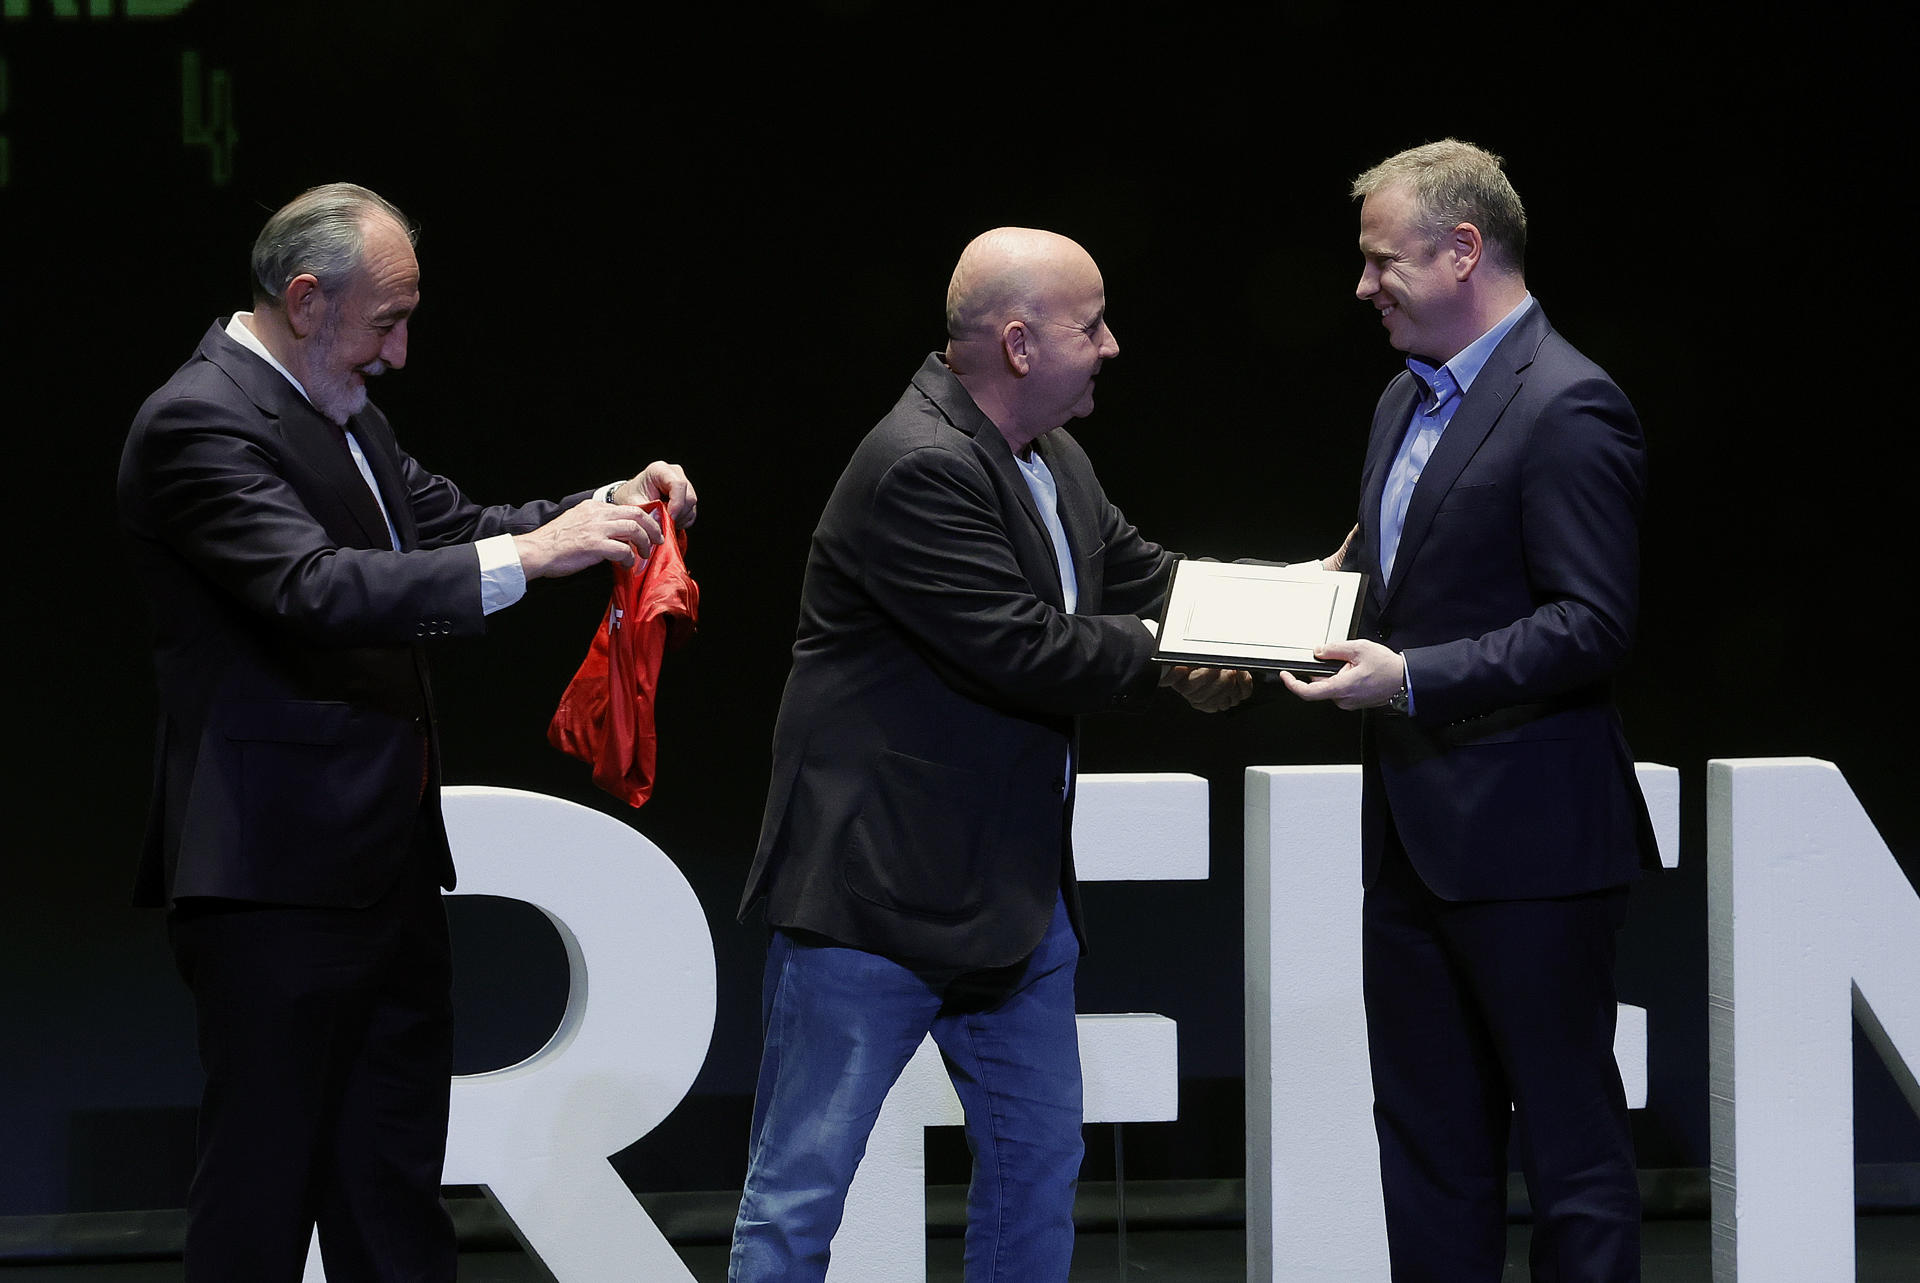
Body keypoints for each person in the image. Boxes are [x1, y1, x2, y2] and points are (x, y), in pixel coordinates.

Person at [117, 182, 697, 1283]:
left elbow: (448, 528)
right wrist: (534, 557)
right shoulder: (198, 420)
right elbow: (316, 587)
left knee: (389, 1190)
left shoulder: (343, 408)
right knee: (261, 1193)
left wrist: (606, 510)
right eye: (386, 320)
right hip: (273, 878)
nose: (400, 351)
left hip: (378, 864)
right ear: (303, 299)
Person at [728, 227, 1244, 1282]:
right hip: (874, 905)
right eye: (1090, 324)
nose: (1111, 345)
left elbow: (1148, 576)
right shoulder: (917, 465)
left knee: (1038, 1170)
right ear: (1019, 343)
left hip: (1012, 901)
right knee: (798, 1193)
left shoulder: (1054, 457)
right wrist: (1164, 661)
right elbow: (1023, 646)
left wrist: (1280, 609)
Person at [1283, 141, 1658, 1280]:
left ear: (1463, 250)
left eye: (1380, 261)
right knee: (1430, 1154)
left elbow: (1592, 620)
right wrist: (1273, 615)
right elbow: (1397, 575)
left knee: (1569, 1155)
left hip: (1533, 846)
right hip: (1409, 844)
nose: (1362, 287)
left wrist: (1410, 675)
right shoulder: (1404, 397)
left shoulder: (1571, 402)